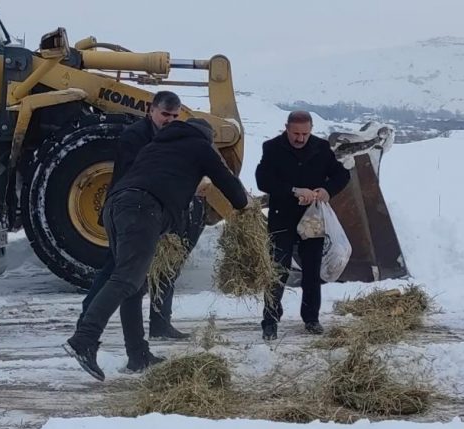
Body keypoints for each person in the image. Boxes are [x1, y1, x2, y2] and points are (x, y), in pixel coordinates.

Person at [65, 118, 249, 381]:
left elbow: (160, 175)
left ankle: (138, 355)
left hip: (116, 205)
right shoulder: (199, 146)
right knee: (127, 279)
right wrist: (244, 208)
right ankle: (84, 339)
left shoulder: (154, 146)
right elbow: (232, 189)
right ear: (207, 137)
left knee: (133, 284)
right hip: (143, 209)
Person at [77, 91, 199, 342]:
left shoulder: (172, 138)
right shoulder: (134, 136)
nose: (170, 120)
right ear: (151, 111)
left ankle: (161, 323)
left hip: (156, 213)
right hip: (130, 214)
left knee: (164, 266)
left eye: (175, 116)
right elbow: (135, 175)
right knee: (118, 269)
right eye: (165, 114)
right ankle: (86, 322)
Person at [255, 111, 350, 341]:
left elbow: (341, 175)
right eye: (296, 133)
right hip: (282, 216)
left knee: (312, 269)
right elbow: (263, 180)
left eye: (305, 134)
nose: (300, 138)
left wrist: (327, 191)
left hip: (312, 219)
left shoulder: (321, 148)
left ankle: (311, 318)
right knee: (277, 269)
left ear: (311, 129)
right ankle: (270, 320)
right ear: (286, 128)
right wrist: (294, 191)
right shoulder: (272, 148)